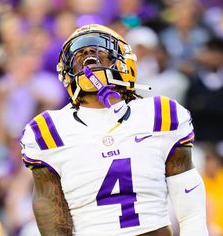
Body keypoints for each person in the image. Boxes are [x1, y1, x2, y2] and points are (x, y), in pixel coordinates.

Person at [20, 24, 209, 236]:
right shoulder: (49, 130)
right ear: (67, 71)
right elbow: (50, 209)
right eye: (79, 54)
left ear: (123, 63)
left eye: (99, 51)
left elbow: (188, 201)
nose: (88, 56)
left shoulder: (160, 114)